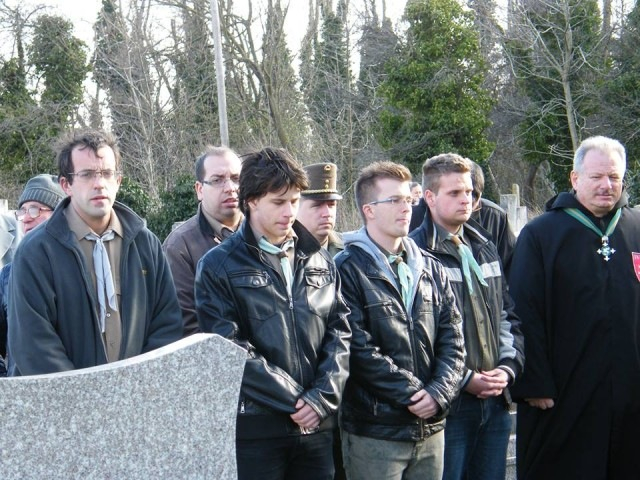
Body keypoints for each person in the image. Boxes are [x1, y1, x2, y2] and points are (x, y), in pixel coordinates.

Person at [195, 147, 351, 480]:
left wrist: (321, 399)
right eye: (278, 202)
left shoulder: (320, 259)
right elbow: (229, 347)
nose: (289, 212)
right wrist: (296, 401)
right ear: (251, 200)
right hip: (259, 428)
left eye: (294, 201)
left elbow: (340, 332)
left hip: (318, 427)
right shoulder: (218, 265)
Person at [509, 135, 640, 479]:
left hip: (630, 390)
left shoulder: (636, 227)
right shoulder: (541, 235)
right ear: (575, 178)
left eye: (614, 176)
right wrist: (533, 381)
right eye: (597, 177)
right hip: (564, 391)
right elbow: (523, 310)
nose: (606, 185)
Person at [7, 129, 182, 376]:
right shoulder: (36, 251)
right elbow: (33, 344)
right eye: (87, 174)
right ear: (66, 185)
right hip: (63, 397)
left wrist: (140, 386)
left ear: (118, 181)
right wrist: (86, 396)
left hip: (137, 395)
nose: (99, 183)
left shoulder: (146, 244)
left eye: (107, 174)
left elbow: (167, 324)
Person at [334, 161, 465, 480]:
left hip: (431, 428)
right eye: (394, 200)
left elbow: (454, 339)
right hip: (377, 432)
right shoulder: (346, 269)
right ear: (369, 210)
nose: (406, 208)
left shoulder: (430, 268)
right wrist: (414, 394)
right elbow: (357, 348)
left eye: (409, 199)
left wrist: (438, 393)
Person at [409, 153, 524, 480]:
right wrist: (463, 379)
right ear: (429, 197)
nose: (467, 199)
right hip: (450, 406)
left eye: (470, 192)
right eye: (455, 192)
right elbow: (417, 335)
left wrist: (507, 367)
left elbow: (506, 314)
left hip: (496, 401)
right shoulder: (415, 253)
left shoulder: (485, 246)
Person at [163, 146, 243, 336]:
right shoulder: (180, 247)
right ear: (199, 190)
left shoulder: (264, 233)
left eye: (236, 178)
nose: (230, 188)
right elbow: (186, 327)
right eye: (217, 180)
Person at [0, 174, 66, 376]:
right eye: (23, 210)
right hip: (22, 392)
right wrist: (7, 383)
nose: (26, 218)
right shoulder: (7, 276)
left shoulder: (81, 270)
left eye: (36, 209)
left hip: (73, 387)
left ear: (60, 215)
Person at [469, 161, 516, 275]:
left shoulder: (496, 216)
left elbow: (511, 264)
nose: (467, 201)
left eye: (474, 195)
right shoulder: (428, 216)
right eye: (456, 193)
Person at [296, 162, 344, 257]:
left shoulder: (350, 250)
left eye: (331, 205)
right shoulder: (284, 250)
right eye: (317, 205)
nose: (327, 213)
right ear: (296, 207)